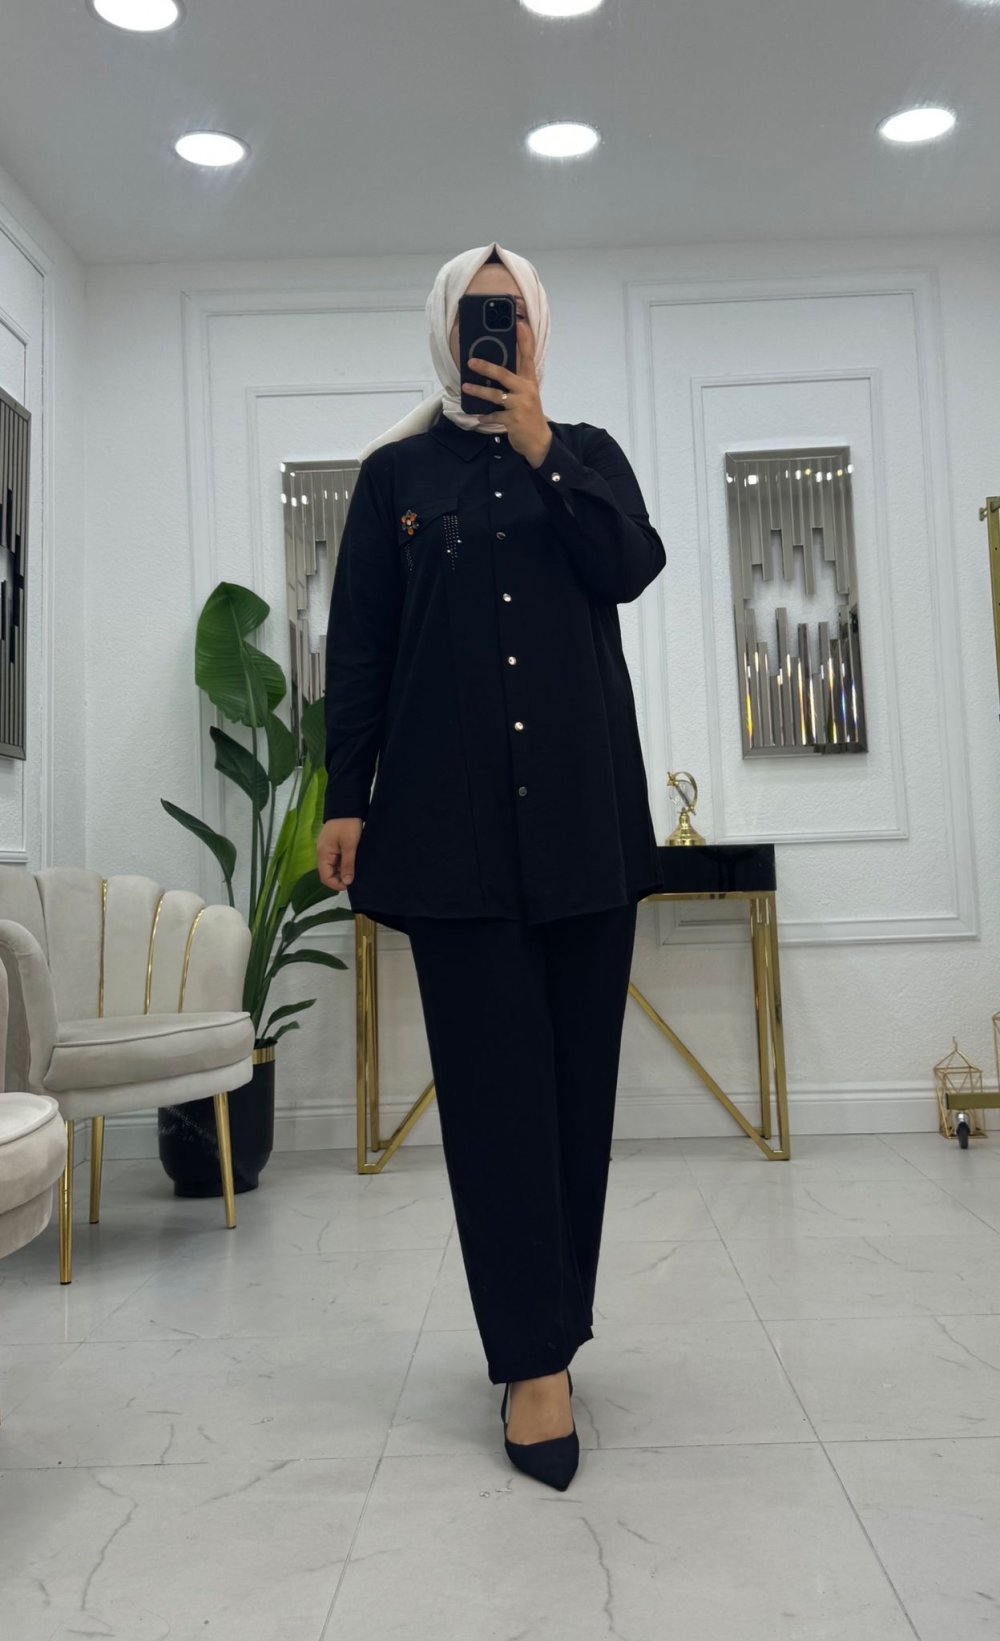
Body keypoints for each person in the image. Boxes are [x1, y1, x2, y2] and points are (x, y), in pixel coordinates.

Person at [316, 241, 666, 1489]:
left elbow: (629, 566)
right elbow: (360, 645)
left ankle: (549, 1335)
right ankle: (532, 1362)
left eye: (511, 313)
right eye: (477, 312)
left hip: (582, 824)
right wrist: (344, 796)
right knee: (491, 1100)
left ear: (538, 330)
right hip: (448, 832)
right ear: (443, 328)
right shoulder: (394, 478)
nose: (494, 330)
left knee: (575, 1097)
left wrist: (540, 444)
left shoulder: (589, 456)